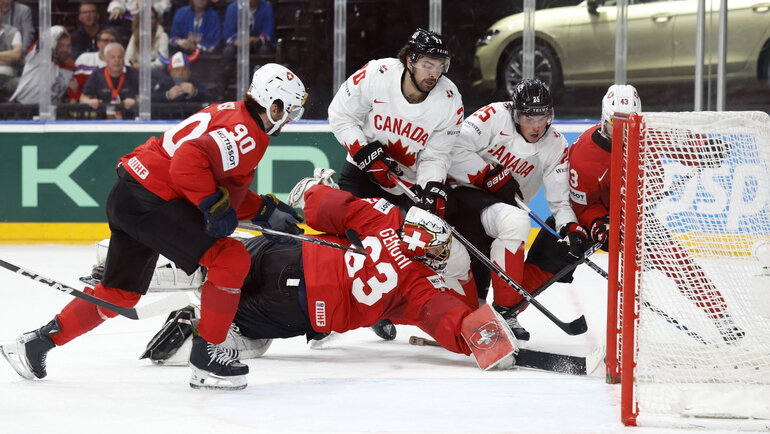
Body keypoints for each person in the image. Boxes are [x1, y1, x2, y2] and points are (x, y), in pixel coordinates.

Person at [0, 63, 308, 390]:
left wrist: (263, 209)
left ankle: (34, 344)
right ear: (273, 107)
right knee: (230, 258)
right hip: (153, 202)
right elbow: (188, 161)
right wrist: (212, 205)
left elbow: (221, 186)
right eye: (289, 112)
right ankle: (208, 360)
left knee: (120, 294)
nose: (289, 120)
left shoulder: (231, 114)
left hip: (130, 195)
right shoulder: (249, 134)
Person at [141, 182, 521, 373]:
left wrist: (314, 190)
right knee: (253, 340)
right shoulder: (420, 289)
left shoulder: (385, 216)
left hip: (289, 253)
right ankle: (198, 332)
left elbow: (321, 205)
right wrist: (483, 336)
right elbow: (451, 322)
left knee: (215, 261)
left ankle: (128, 269)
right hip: (303, 309)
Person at [568, 84, 744, 343]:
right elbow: (581, 206)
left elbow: (680, 141)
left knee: (681, 265)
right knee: (552, 260)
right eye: (614, 125)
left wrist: (704, 148)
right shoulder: (584, 153)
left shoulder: (647, 133)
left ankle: (721, 317)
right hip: (598, 222)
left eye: (628, 125)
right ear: (603, 120)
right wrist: (599, 224)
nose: (621, 133)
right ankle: (511, 309)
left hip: (639, 220)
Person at [328, 28, 465, 339]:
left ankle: (390, 307)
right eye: (428, 64)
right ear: (409, 60)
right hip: (362, 173)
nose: (434, 73)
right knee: (351, 245)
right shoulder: (377, 74)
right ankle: (330, 308)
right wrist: (361, 149)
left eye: (440, 65)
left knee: (401, 254)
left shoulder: (449, 98)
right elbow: (339, 114)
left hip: (406, 184)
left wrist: (431, 186)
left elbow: (437, 155)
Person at [445, 78, 587, 340]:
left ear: (550, 115)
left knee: (472, 308)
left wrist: (570, 227)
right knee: (517, 221)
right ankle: (507, 311)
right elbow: (453, 150)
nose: (535, 126)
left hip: (499, 211)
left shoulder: (556, 144)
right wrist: (488, 174)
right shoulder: (493, 116)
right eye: (527, 118)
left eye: (541, 117)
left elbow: (559, 202)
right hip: (462, 198)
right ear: (515, 113)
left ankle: (501, 313)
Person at [10, 26, 74, 105]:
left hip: (51, 111)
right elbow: (49, 35)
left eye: (68, 46)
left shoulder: (70, 66)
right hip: (23, 108)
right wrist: (63, 30)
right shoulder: (39, 55)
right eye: (61, 45)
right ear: (54, 45)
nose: (65, 49)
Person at [79, 42, 139, 118]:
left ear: (124, 59)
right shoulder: (96, 75)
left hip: (129, 121)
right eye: (113, 57)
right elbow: (82, 98)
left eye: (120, 57)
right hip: (102, 122)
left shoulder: (134, 73)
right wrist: (89, 102)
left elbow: (145, 98)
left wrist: (135, 102)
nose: (117, 60)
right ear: (106, 59)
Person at [68, 29, 118, 103]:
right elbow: (75, 88)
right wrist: (73, 108)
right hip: (86, 106)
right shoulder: (85, 59)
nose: (109, 44)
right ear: (98, 43)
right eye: (105, 40)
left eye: (112, 41)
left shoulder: (123, 62)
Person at [0, 5, 21, 101]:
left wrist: (11, 57)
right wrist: (7, 57)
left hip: (9, 78)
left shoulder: (13, 32)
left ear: (2, 14)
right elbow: (11, 55)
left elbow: (16, 55)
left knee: (22, 85)